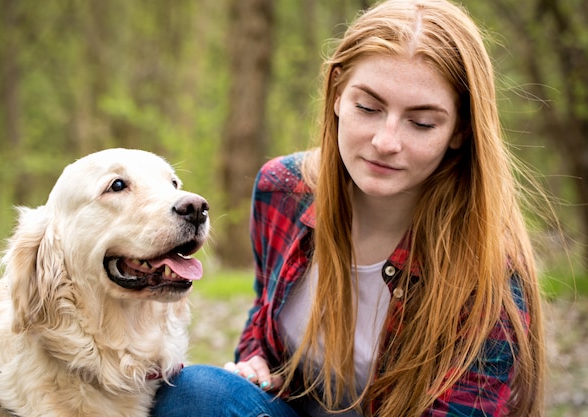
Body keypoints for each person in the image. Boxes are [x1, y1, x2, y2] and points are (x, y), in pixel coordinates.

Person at [151, 0, 546, 415]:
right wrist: (257, 362)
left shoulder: (490, 274)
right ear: (338, 92)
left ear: (460, 130)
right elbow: (263, 315)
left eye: (422, 122)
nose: (385, 141)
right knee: (193, 391)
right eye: (369, 108)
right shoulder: (282, 190)